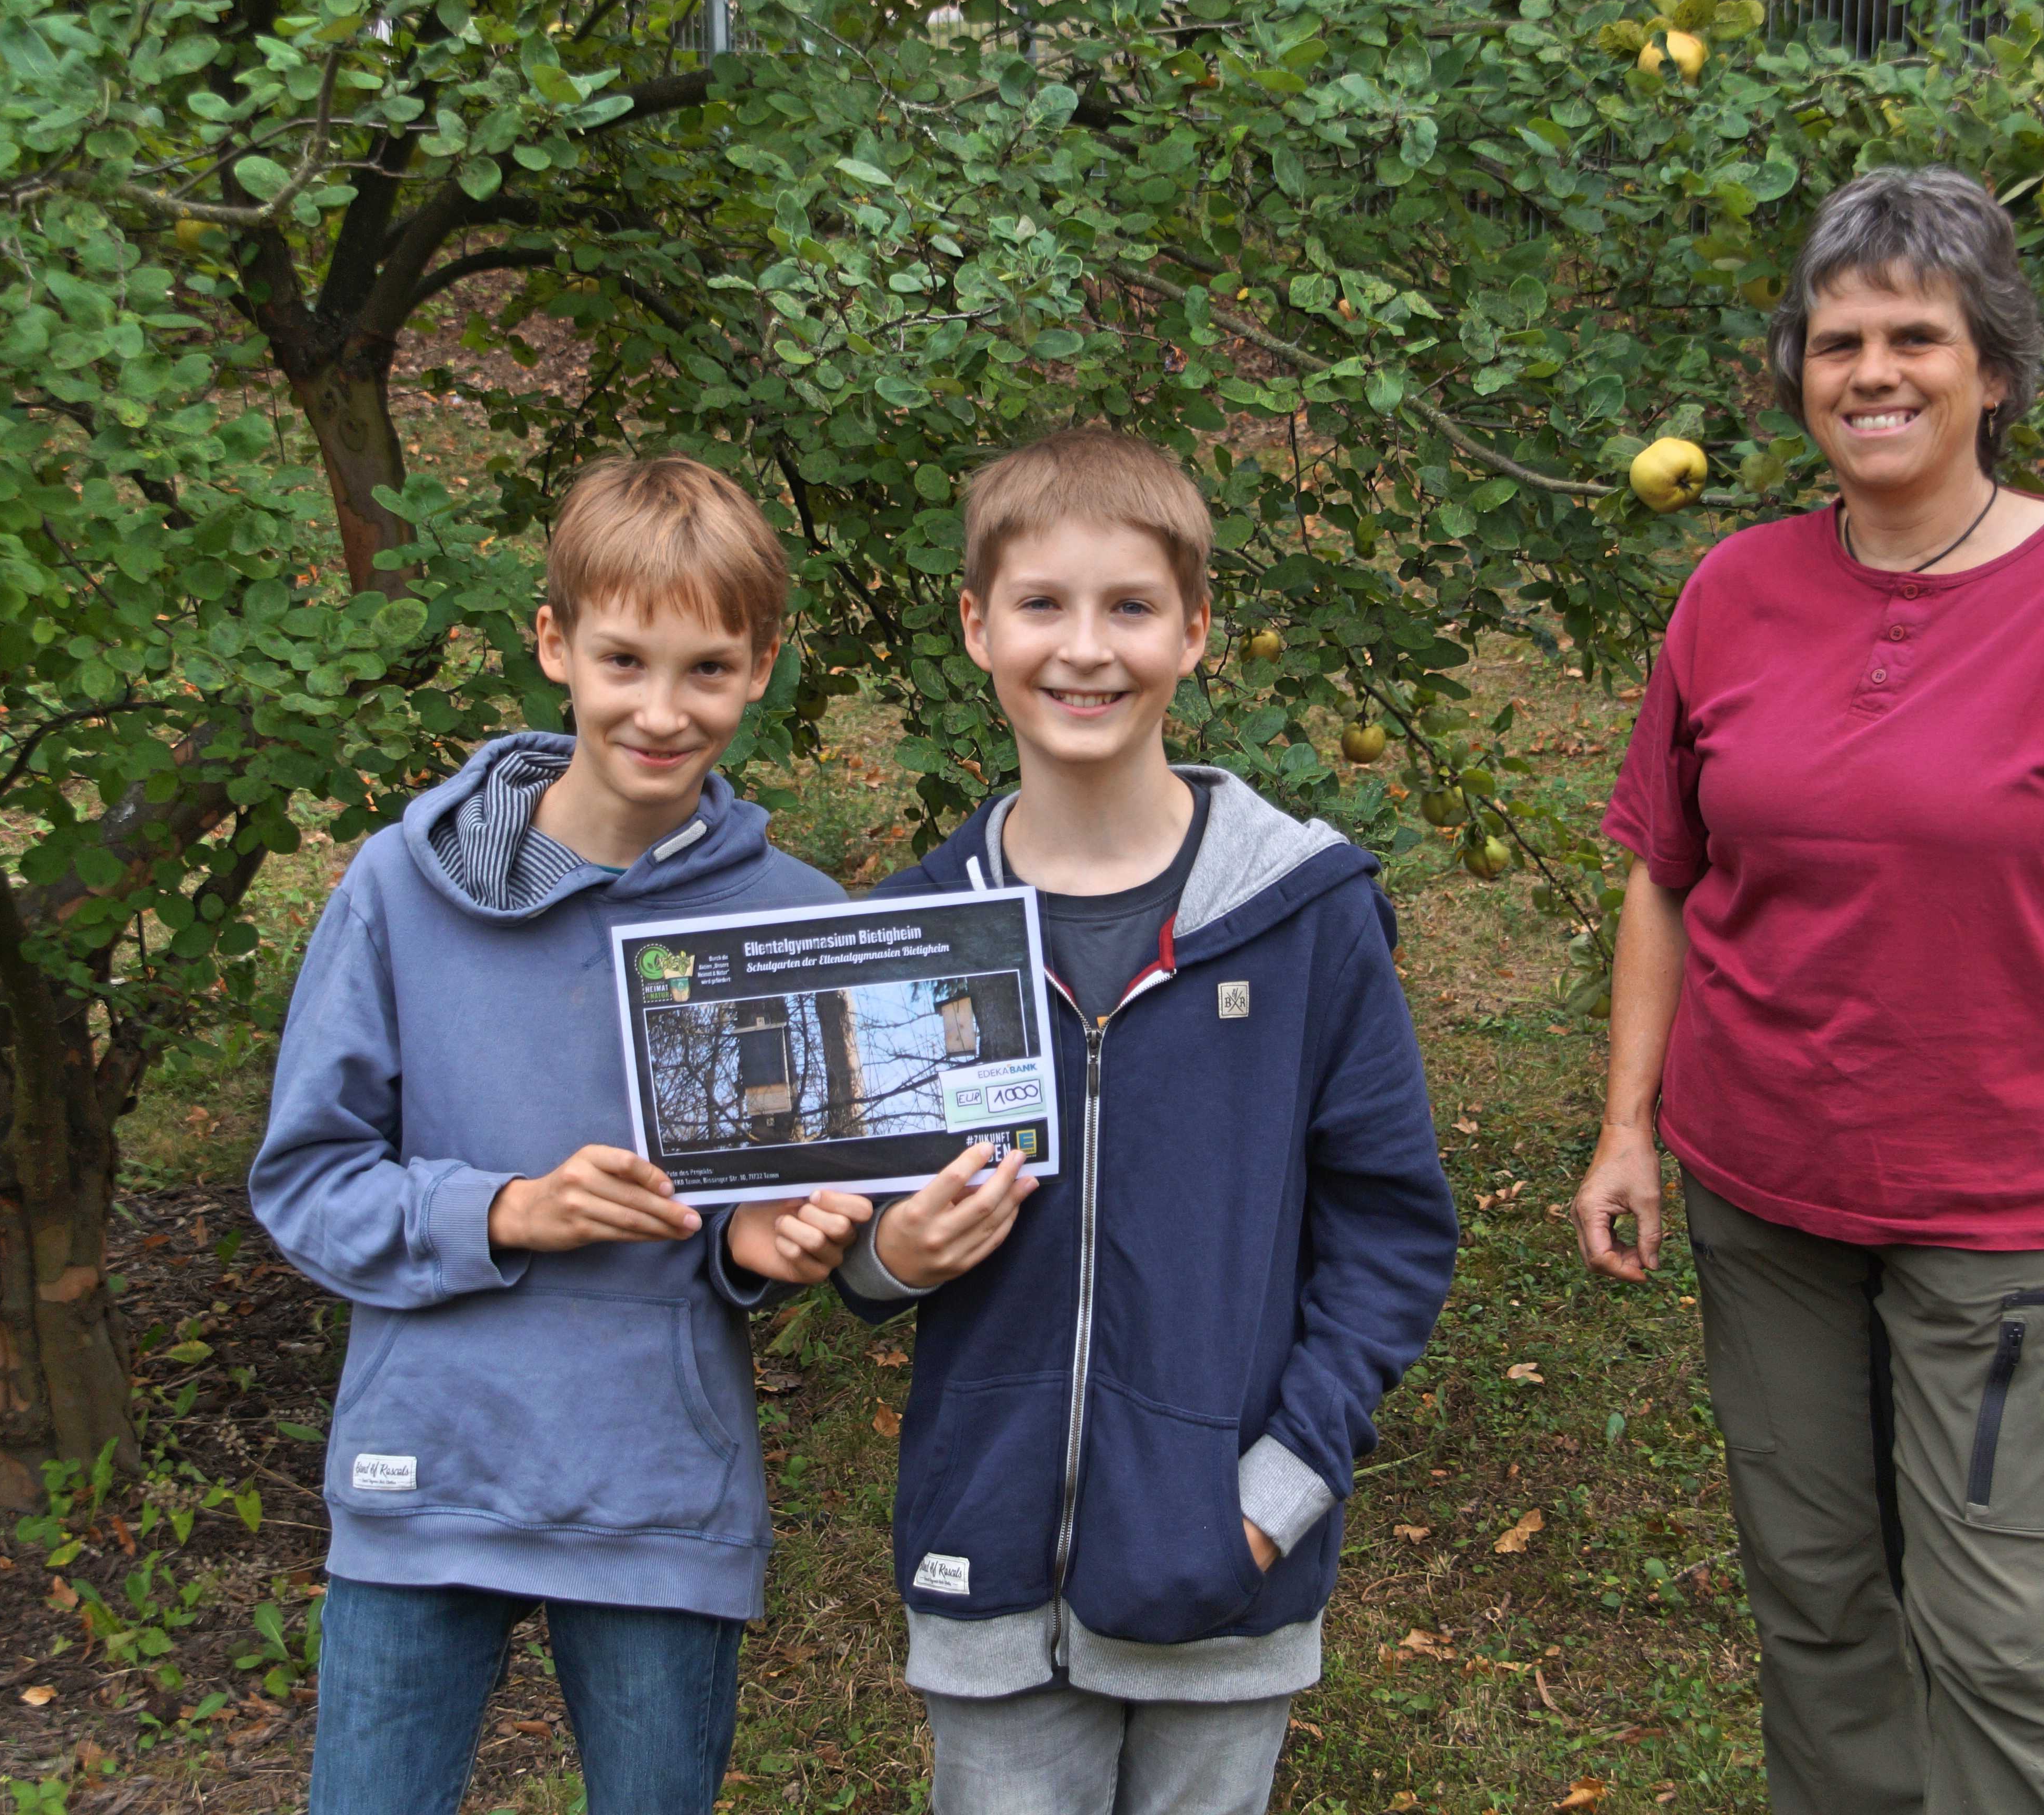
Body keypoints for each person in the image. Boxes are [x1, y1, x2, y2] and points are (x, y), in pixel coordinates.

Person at [1570, 166, 2044, 1815]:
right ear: (1798, 373)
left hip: (2000, 1212)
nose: (1874, 372)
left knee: (1997, 1629)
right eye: (1839, 341)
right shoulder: (1734, 592)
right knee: (1817, 1605)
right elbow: (1664, 874)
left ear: (1993, 364)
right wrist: (1629, 1126)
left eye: (1918, 334)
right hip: (1762, 1199)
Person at [834, 428, 1461, 1815]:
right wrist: (894, 1259)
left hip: (1223, 1567)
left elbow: (1391, 1235)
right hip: (988, 1564)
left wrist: (1275, 1491)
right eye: (1042, 605)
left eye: (1129, 608)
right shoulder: (918, 934)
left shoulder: (1307, 917)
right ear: (975, 625)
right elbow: (860, 1241)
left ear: (1196, 634)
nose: (1084, 650)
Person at [250, 456, 882, 1815]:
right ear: (554, 647)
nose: (662, 711)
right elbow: (307, 1187)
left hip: (658, 1492)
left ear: (761, 666)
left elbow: (773, 1212)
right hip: (427, 1474)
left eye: (707, 669)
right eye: (622, 661)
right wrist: (505, 1211)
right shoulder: (396, 892)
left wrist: (760, 1244)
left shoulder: (795, 916)